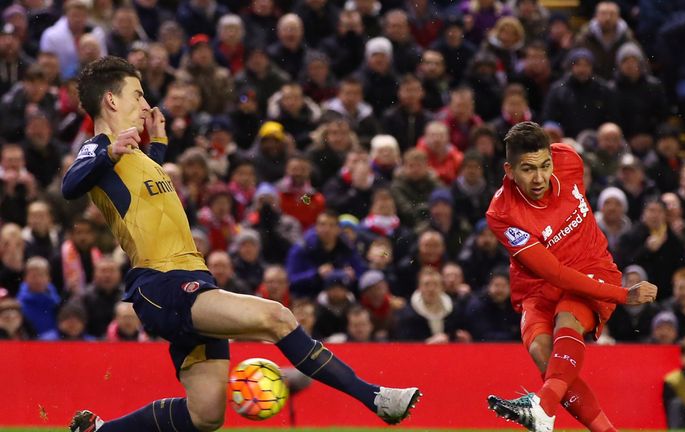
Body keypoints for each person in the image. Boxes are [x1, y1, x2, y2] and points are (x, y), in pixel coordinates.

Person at [62, 57, 420, 432]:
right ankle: (377, 398)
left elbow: (141, 190)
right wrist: (109, 151)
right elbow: (71, 184)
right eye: (138, 94)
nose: (147, 105)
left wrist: (160, 145)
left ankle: (100, 431)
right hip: (162, 284)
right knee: (276, 317)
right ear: (112, 101)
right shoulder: (99, 147)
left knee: (206, 415)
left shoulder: (134, 155)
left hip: (192, 280)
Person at [485, 121, 657, 431]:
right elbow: (553, 273)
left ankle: (542, 409)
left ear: (553, 157)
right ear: (509, 170)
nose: (539, 178)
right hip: (538, 286)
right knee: (544, 356)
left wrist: (615, 290)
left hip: (592, 270)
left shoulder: (570, 159)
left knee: (568, 319)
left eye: (544, 165)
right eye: (527, 169)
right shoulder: (502, 214)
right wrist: (624, 294)